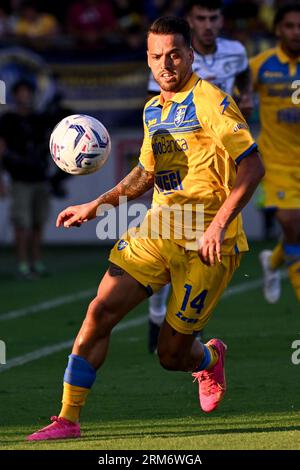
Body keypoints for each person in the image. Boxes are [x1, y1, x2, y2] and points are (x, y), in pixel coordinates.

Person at [27, 16, 264, 441]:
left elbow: (253, 166)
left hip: (209, 240)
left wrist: (219, 225)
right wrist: (97, 204)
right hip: (157, 228)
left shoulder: (212, 102)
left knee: (171, 355)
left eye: (174, 53)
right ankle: (67, 419)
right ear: (148, 60)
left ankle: (208, 360)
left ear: (191, 54)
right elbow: (145, 173)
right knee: (98, 313)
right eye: (157, 56)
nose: (166, 63)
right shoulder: (153, 108)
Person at [147, 0, 254, 353]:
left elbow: (243, 80)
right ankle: (156, 310)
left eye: (213, 18)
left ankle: (184, 326)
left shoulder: (234, 54)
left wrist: (246, 97)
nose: (208, 25)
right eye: (201, 19)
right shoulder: (169, 59)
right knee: (162, 228)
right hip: (179, 155)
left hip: (222, 141)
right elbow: (159, 103)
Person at [250, 3, 300, 304]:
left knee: (296, 231)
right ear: (278, 29)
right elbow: (235, 100)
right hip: (277, 161)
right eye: (290, 26)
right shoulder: (260, 65)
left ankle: (272, 260)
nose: (296, 32)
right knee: (292, 223)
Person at [0, 79, 51, 279]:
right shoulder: (8, 120)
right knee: (22, 224)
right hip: (19, 179)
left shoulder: (40, 119)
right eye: (21, 92)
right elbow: (2, 150)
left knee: (38, 222)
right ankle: (22, 264)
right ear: (15, 95)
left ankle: (36, 262)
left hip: (39, 177)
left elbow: (50, 145)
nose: (25, 96)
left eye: (27, 92)